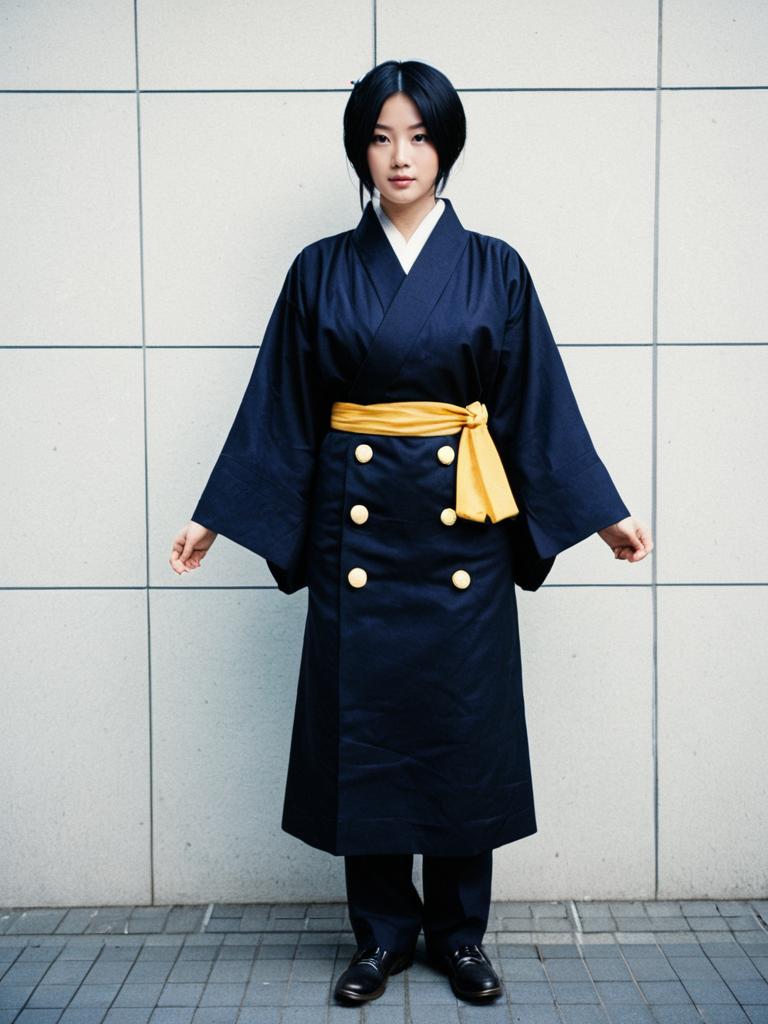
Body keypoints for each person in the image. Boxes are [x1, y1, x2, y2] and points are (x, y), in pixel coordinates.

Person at [169, 59, 653, 1007]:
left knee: (458, 732)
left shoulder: (495, 266)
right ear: (361, 147)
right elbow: (282, 408)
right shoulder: (320, 269)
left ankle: (461, 937)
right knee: (371, 734)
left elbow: (534, 405)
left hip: (459, 539)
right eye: (383, 136)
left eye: (420, 136)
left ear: (446, 147)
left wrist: (601, 512)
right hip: (362, 547)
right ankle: (381, 936)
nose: (401, 156)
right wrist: (215, 518)